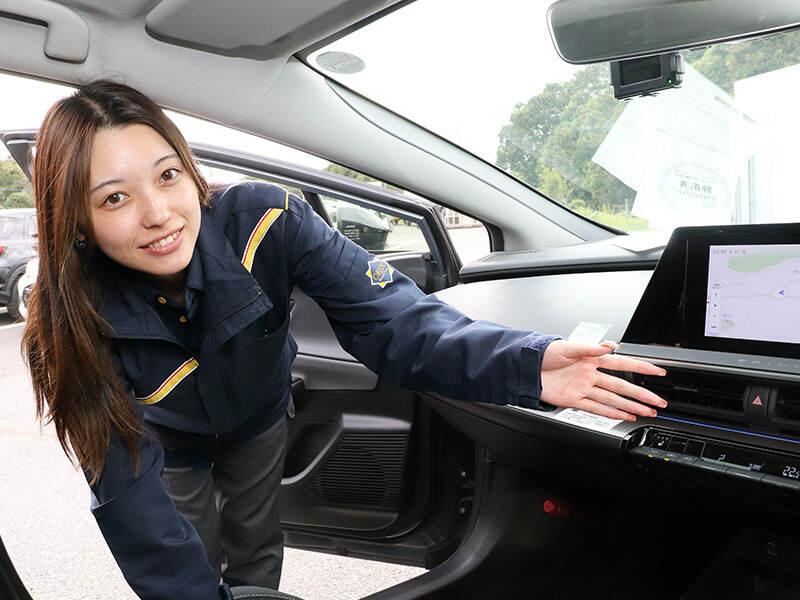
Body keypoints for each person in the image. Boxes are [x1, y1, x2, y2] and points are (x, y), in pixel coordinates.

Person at [22, 80, 668, 600]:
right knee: (189, 550)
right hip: (169, 442)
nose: (158, 213)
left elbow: (391, 319)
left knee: (255, 540)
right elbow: (134, 506)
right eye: (114, 198)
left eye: (167, 176)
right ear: (74, 217)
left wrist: (527, 365)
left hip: (259, 420)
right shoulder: (70, 313)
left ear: (190, 171)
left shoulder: (265, 220)